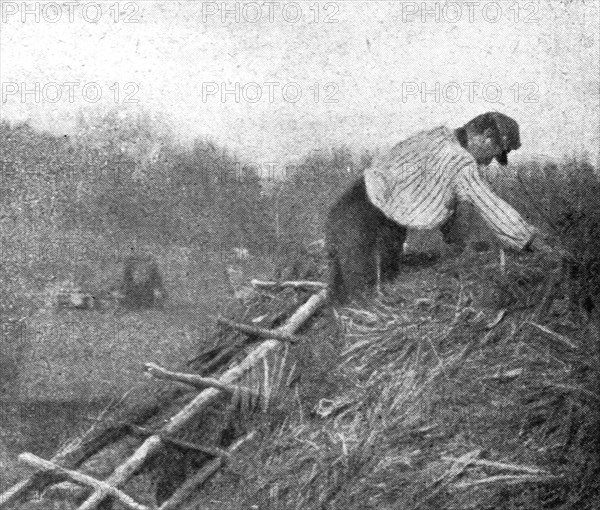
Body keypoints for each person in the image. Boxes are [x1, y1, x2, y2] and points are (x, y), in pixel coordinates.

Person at [327, 111, 557, 304]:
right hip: (364, 220)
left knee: (353, 294)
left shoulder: (437, 137)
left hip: (356, 209)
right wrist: (530, 240)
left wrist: (457, 241)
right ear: (486, 136)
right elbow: (492, 207)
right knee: (362, 301)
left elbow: (442, 199)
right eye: (494, 155)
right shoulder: (460, 162)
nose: (488, 163)